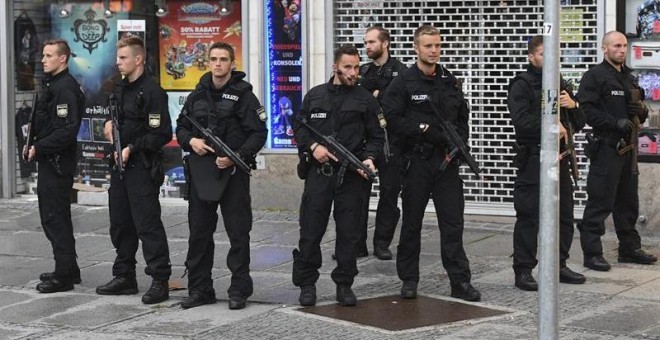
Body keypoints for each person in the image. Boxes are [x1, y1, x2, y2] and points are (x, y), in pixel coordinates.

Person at [381, 25, 480, 302]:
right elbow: (392, 118)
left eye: (437, 45)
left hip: (446, 164)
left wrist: (460, 142)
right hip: (417, 162)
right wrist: (422, 129)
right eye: (428, 46)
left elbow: (462, 117)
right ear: (416, 48)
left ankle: (460, 281)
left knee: (453, 224)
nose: (434, 51)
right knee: (412, 223)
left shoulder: (449, 80)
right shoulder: (403, 82)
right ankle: (409, 279)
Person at [175, 42, 267, 310]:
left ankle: (239, 289)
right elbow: (181, 127)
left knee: (239, 234)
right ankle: (200, 289)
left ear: (232, 63)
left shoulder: (245, 97)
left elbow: (259, 133)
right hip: (202, 171)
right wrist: (191, 141)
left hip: (233, 172)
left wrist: (237, 154)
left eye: (223, 59)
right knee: (199, 234)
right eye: (213, 59)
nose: (217, 64)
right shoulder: (197, 95)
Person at [292, 44, 384, 307]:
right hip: (320, 174)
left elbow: (378, 136)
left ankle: (344, 284)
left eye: (356, 67)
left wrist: (369, 158)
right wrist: (313, 147)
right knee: (311, 231)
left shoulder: (366, 99)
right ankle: (307, 284)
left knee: (349, 233)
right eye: (347, 67)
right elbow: (299, 127)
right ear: (335, 67)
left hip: (351, 176)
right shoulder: (315, 96)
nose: (353, 72)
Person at [507, 35, 587, 291]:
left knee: (563, 214)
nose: (550, 59)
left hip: (560, 159)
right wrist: (553, 126)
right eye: (544, 54)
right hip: (533, 158)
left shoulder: (560, 83)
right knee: (529, 216)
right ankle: (523, 269)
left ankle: (559, 264)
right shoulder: (522, 84)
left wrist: (573, 105)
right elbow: (521, 122)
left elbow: (580, 122)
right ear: (532, 57)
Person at [97, 36, 172, 305]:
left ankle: (159, 279)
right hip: (119, 167)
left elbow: (161, 133)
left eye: (124, 58)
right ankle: (124, 275)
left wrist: (132, 147)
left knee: (147, 225)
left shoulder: (152, 91)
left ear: (138, 59)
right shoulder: (120, 89)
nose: (118, 63)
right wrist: (108, 125)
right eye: (118, 58)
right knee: (120, 224)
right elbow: (116, 119)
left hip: (141, 166)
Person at [577, 31, 657, 271]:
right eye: (616, 46)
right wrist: (615, 123)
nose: (621, 50)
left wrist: (641, 110)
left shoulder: (629, 78)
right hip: (607, 147)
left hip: (629, 148)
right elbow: (586, 111)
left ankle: (629, 249)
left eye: (623, 46)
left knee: (628, 202)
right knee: (600, 202)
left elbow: (641, 112)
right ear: (604, 48)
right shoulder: (595, 76)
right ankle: (592, 253)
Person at [28, 39, 85, 293]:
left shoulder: (65, 89)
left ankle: (64, 276)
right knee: (53, 216)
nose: (43, 60)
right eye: (43, 55)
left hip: (58, 162)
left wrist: (39, 147)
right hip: (49, 160)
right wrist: (32, 143)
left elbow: (66, 131)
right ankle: (67, 268)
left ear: (63, 58)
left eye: (49, 55)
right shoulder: (53, 85)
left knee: (55, 217)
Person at [356, 25, 408, 260]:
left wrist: (378, 97)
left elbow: (401, 107)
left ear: (385, 43)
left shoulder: (401, 72)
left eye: (371, 42)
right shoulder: (362, 72)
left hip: (392, 142)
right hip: (365, 141)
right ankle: (356, 243)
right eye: (366, 42)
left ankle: (382, 243)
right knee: (357, 194)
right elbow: (358, 103)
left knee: (389, 193)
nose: (367, 46)